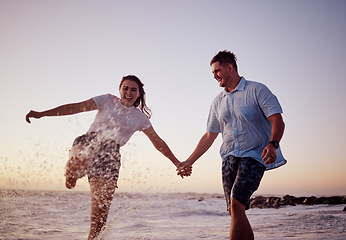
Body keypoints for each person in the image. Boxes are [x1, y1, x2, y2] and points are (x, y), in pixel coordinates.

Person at [25, 75, 191, 240]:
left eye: (133, 90)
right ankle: (74, 171)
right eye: (125, 88)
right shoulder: (106, 100)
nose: (128, 92)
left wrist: (177, 163)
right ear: (119, 89)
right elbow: (75, 108)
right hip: (89, 141)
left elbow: (158, 142)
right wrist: (43, 114)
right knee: (82, 157)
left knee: (100, 215)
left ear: (139, 94)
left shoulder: (140, 118)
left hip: (110, 156)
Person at [178, 50, 287, 240]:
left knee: (236, 204)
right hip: (228, 158)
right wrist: (189, 161)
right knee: (234, 210)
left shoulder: (257, 90)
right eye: (212, 73)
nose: (214, 76)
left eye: (217, 71)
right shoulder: (217, 102)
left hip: (254, 155)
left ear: (230, 68)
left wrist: (273, 144)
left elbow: (277, 120)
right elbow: (209, 136)